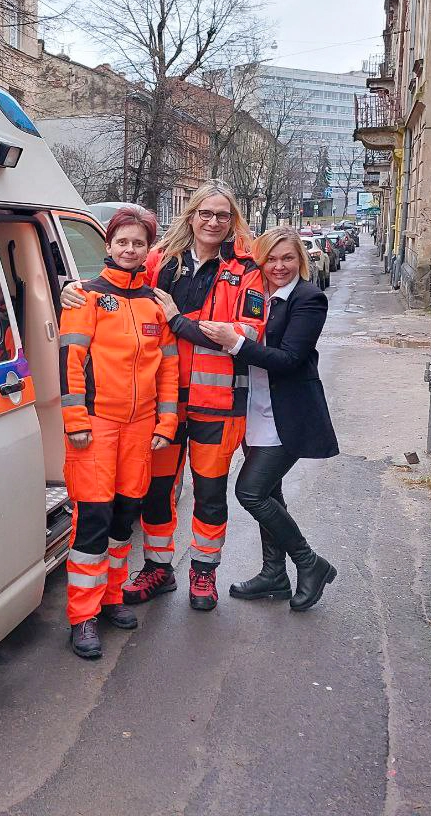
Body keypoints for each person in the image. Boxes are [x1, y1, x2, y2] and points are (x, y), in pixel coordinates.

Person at [62, 184, 265, 611]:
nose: (213, 222)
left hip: (218, 403)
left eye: (222, 215)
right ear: (191, 216)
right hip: (160, 408)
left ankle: (204, 574)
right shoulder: (160, 262)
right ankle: (158, 568)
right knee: (155, 493)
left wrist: (180, 321)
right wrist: (73, 288)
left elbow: (244, 335)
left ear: (233, 221)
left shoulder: (246, 270)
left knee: (209, 493)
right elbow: (121, 281)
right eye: (205, 213)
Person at [60, 206, 180, 659]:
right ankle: (83, 615)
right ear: (108, 246)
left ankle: (110, 598)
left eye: (139, 243)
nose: (130, 249)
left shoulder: (156, 303)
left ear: (148, 251)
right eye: (122, 242)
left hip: (141, 429)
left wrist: (166, 424)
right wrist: (75, 422)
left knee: (122, 518)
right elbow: (70, 363)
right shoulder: (86, 297)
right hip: (96, 427)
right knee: (91, 521)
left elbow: (169, 370)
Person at [198, 225, 339, 612]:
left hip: (288, 414)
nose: (279, 266)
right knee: (271, 493)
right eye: (271, 259)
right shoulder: (258, 295)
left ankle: (310, 564)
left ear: (300, 260)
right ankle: (273, 573)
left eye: (287, 258)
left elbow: (290, 360)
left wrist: (236, 343)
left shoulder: (308, 299)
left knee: (251, 491)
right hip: (255, 410)